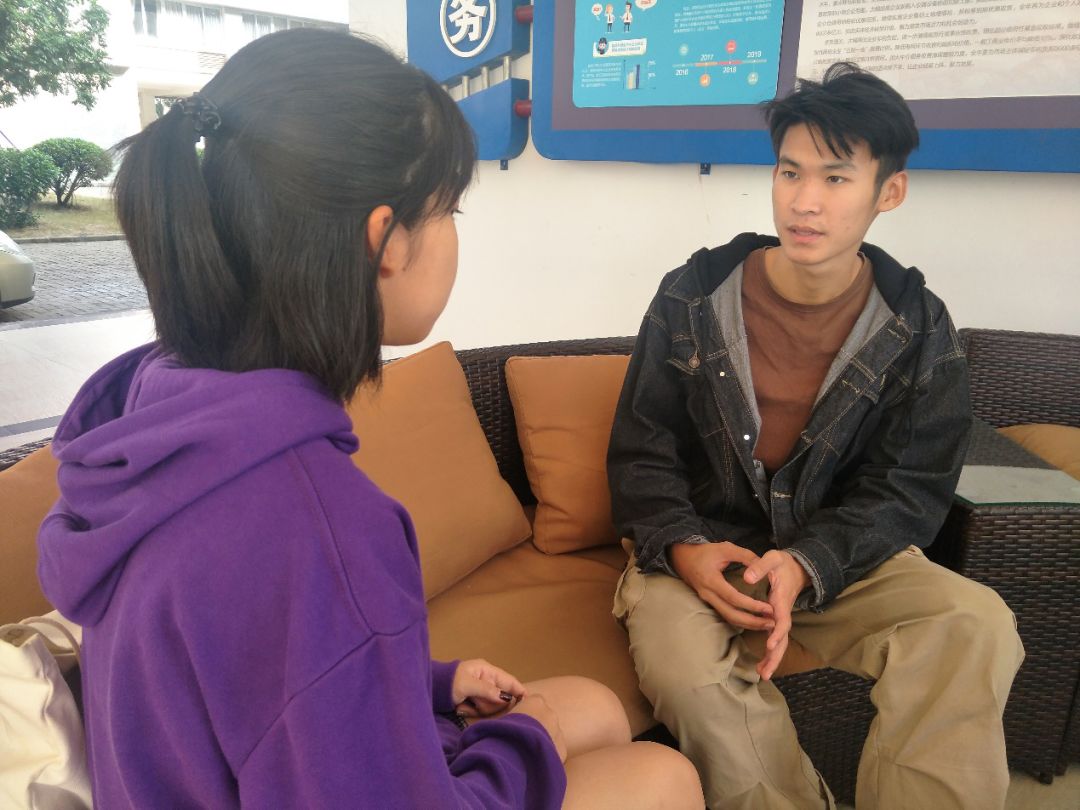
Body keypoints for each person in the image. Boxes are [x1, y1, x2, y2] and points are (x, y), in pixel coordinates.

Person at [36, 29, 703, 810]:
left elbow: (256, 675)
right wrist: (529, 740)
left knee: (590, 703)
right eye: (450, 209)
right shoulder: (320, 527)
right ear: (382, 239)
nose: (455, 234)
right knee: (662, 776)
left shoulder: (147, 414)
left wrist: (430, 683)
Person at [607, 62, 1024, 809]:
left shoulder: (917, 327)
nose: (804, 201)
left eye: (836, 178)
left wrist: (808, 562)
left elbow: (908, 490)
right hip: (702, 550)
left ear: (888, 192)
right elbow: (642, 449)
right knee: (682, 671)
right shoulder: (693, 295)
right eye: (789, 171)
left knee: (976, 623)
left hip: (836, 556)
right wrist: (686, 549)